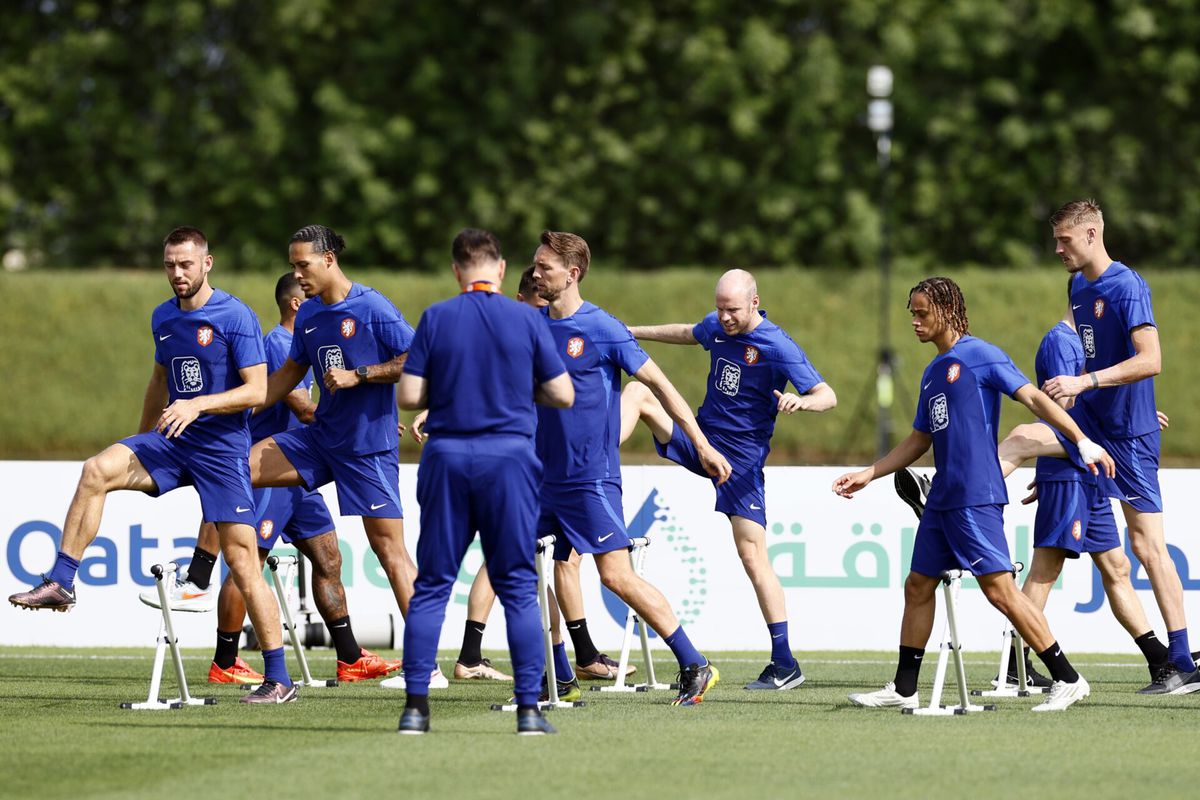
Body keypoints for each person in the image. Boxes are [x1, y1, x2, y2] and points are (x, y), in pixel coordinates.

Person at [9, 227, 297, 704]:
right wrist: (141, 437)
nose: (177, 273)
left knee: (244, 562)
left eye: (186, 264)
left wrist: (198, 405)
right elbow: (159, 379)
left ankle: (280, 678)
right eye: (170, 265)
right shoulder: (163, 317)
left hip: (223, 450)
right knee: (96, 470)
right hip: (172, 440)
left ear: (208, 264)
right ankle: (61, 581)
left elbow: (256, 391)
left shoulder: (235, 315)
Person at [833, 276, 1114, 713]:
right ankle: (904, 687)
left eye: (922, 311)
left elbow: (1035, 400)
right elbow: (918, 440)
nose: (915, 320)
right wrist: (870, 472)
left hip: (976, 496)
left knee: (1000, 591)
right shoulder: (930, 374)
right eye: (912, 312)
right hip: (943, 497)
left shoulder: (982, 355)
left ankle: (1067, 677)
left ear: (947, 311)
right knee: (918, 584)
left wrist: (1080, 439)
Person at [140, 273, 400, 684]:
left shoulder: (314, 336)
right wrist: (357, 422)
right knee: (249, 561)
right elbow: (304, 408)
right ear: (296, 304)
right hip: (276, 466)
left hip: (302, 472)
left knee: (329, 558)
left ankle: (350, 657)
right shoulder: (280, 344)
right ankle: (225, 659)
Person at [991, 200, 1199, 693]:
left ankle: (1182, 658)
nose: (1057, 248)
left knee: (1147, 547)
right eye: (1055, 239)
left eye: (1064, 239)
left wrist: (1090, 385)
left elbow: (1151, 360)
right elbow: (1093, 353)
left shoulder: (1127, 286)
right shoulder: (1080, 288)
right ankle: (957, 498)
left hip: (1128, 439)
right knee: (1023, 440)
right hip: (1097, 432)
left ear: (1091, 233)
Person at [532, 230, 730, 707]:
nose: (536, 273)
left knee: (615, 576)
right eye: (535, 265)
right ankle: (559, 677)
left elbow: (661, 385)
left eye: (545, 267)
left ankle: (694, 663)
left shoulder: (603, 328)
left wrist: (700, 444)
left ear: (572, 273)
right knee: (533, 573)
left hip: (590, 478)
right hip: (540, 477)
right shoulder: (531, 325)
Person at [395, 228, 574, 735]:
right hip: (509, 460)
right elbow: (563, 394)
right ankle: (528, 711)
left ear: (457, 271)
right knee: (518, 585)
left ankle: (415, 709)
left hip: (448, 456)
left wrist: (451, 389)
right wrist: (516, 391)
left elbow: (409, 396)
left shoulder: (436, 317)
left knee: (432, 585)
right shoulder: (526, 318)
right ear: (499, 270)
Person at [628, 269, 836, 690]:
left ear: (755, 303)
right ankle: (591, 457)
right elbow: (689, 332)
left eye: (732, 310)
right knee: (638, 395)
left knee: (752, 555)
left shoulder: (777, 344)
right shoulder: (718, 326)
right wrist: (628, 332)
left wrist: (803, 402)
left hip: (740, 461)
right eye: (720, 308)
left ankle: (784, 662)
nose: (723, 318)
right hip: (701, 439)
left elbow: (827, 395)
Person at [247, 226, 436, 686]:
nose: (297, 273)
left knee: (389, 551)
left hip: (367, 449)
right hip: (319, 439)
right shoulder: (309, 312)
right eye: (293, 265)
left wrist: (363, 374)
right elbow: (288, 376)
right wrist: (237, 407)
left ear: (328, 259)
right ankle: (201, 569)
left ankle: (427, 666)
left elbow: (420, 357)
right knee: (237, 468)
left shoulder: (371, 306)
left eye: (303, 264)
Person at [425, 265, 632, 685]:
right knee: (534, 564)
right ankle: (570, 660)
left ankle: (560, 660)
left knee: (527, 562)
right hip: (535, 470)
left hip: (537, 467)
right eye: (539, 306)